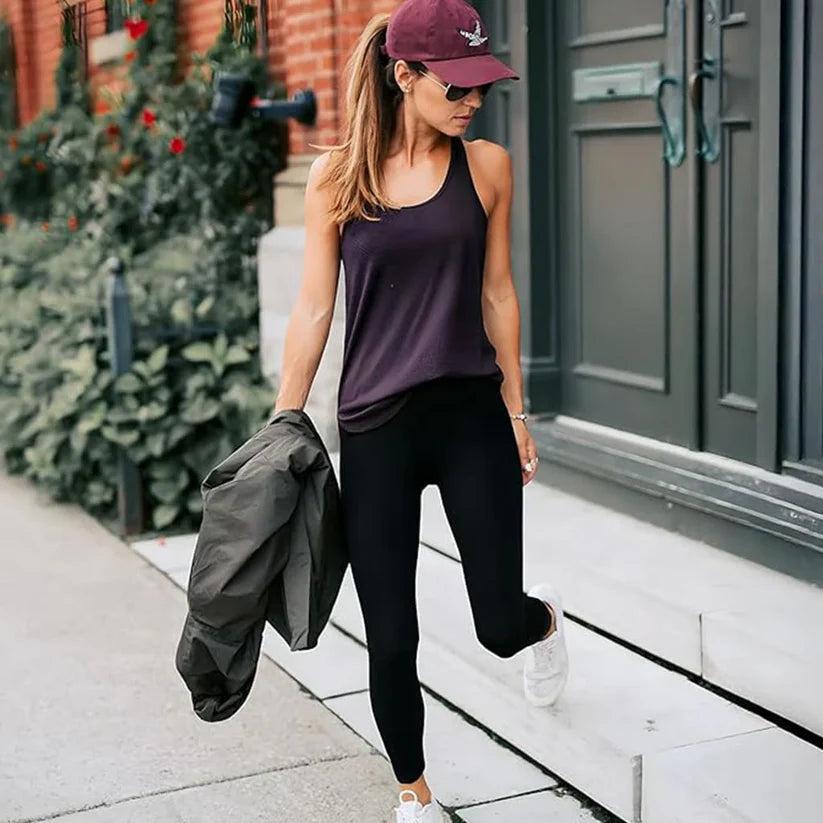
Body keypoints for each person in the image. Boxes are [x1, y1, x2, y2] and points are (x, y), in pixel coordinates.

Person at [273, 0, 570, 820]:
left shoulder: (488, 167)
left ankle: (542, 621)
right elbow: (311, 310)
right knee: (391, 635)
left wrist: (515, 409)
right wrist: (283, 425)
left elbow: (497, 291)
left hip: (470, 416)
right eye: (458, 84)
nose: (474, 99)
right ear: (404, 76)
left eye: (482, 84)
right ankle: (414, 791)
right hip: (376, 429)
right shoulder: (337, 177)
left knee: (496, 625)